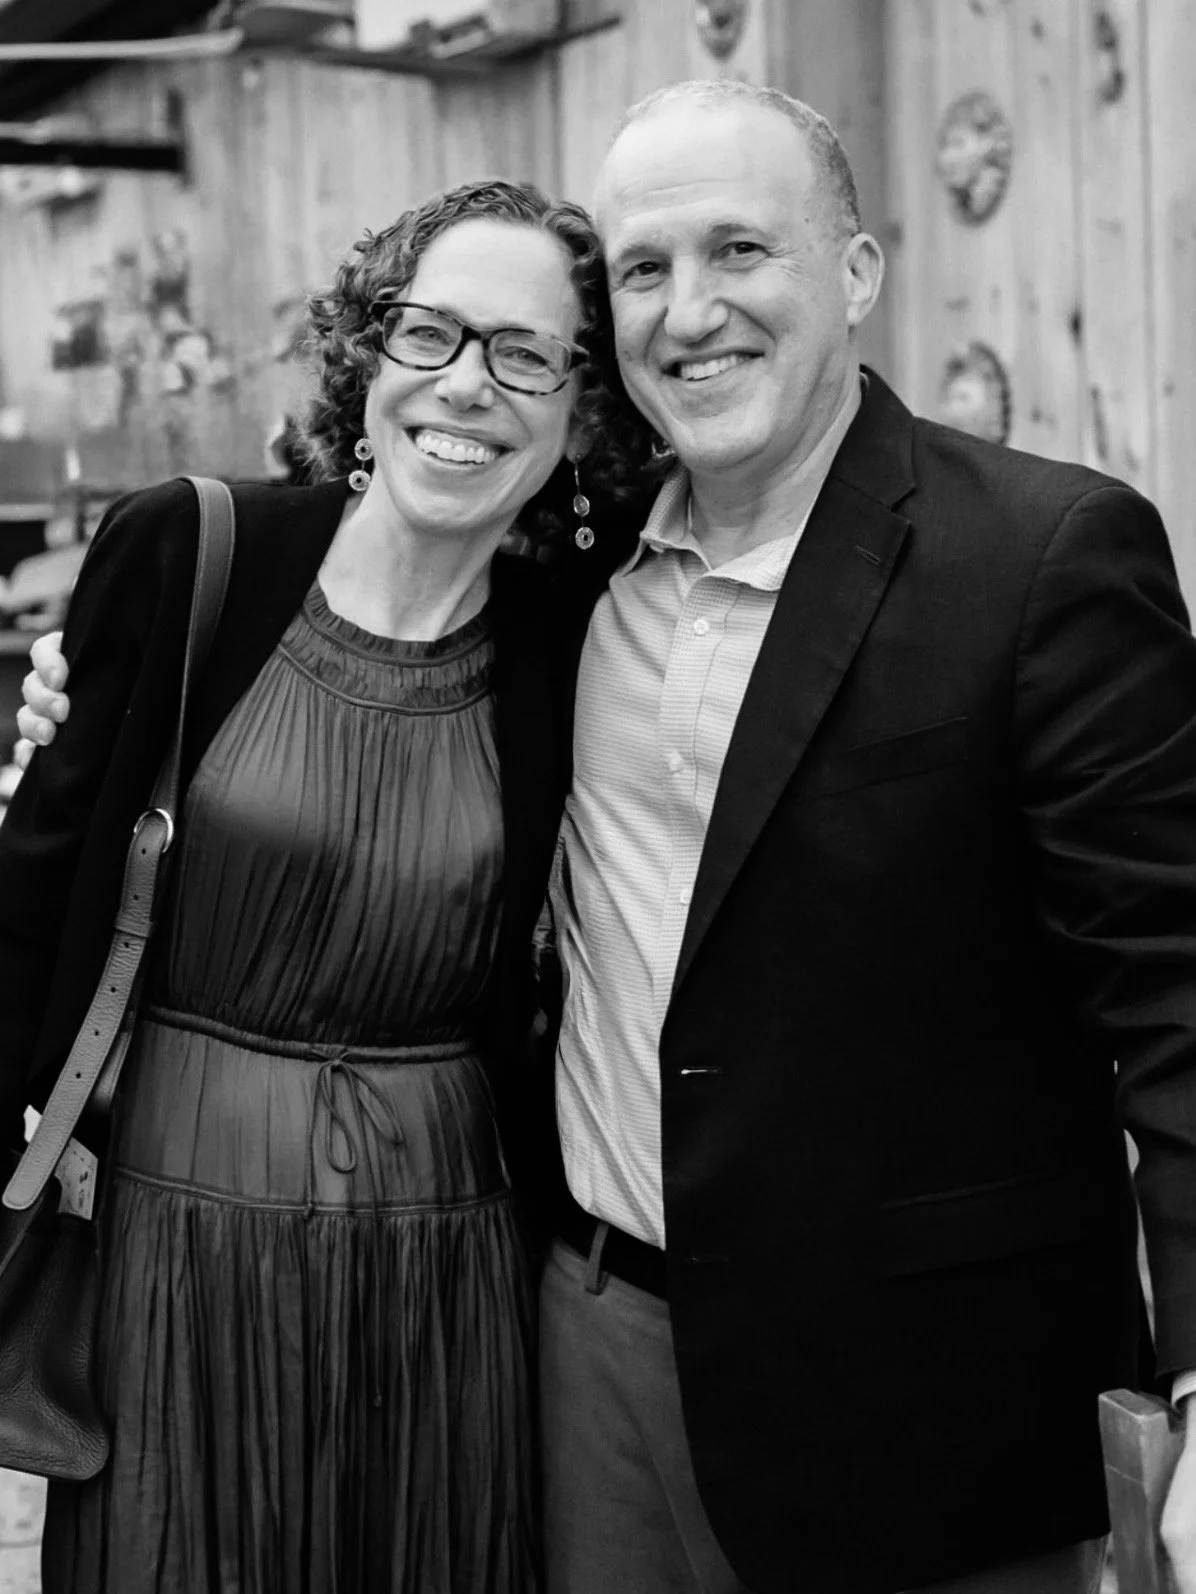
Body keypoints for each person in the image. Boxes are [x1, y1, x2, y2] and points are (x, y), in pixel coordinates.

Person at [20, 80, 1196, 1594]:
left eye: (740, 250)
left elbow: (1173, 987)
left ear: (855, 273)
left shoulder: (1037, 556)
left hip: (909, 1405)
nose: (690, 309)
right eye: (645, 268)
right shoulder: (577, 599)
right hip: (575, 1345)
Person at [0, 175, 647, 1594]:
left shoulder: (574, 641)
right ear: (369, 349)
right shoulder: (193, 550)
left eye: (526, 354)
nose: (467, 385)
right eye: (430, 331)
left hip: (447, 1264)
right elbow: (32, 890)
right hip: (178, 1236)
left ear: (582, 410)